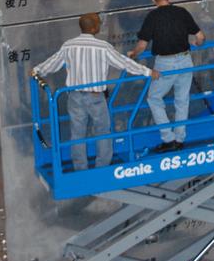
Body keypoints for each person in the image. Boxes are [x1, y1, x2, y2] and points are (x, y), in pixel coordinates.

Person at [34, 12, 156, 171]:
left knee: (77, 133)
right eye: (98, 23)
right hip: (96, 97)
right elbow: (124, 63)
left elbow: (52, 63)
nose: (100, 25)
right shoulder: (102, 47)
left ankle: (80, 168)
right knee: (103, 132)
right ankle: (102, 167)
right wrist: (147, 72)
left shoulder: (68, 46)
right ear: (93, 28)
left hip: (75, 96)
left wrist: (36, 70)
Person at [129, 0, 205, 150]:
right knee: (182, 99)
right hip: (185, 60)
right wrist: (197, 43)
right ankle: (179, 139)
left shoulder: (152, 17)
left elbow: (142, 46)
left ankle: (168, 138)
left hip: (165, 63)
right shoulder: (182, 12)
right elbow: (200, 36)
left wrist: (132, 54)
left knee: (154, 98)